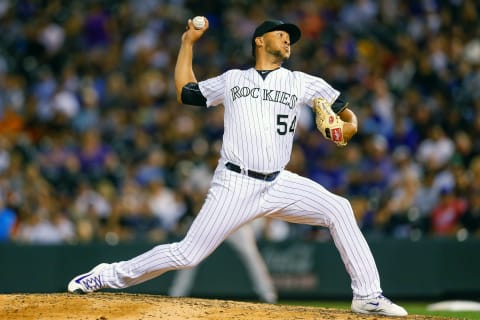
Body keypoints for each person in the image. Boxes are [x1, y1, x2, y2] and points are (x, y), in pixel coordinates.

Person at [67, 18, 407, 317]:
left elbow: (351, 121)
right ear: (259, 40)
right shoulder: (233, 80)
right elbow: (186, 92)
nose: (288, 39)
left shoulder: (304, 82)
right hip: (235, 183)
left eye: (290, 37)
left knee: (339, 208)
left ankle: (367, 296)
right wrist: (187, 43)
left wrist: (343, 130)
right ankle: (106, 275)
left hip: (278, 183)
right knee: (187, 254)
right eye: (280, 34)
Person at [169, 223, 277, 304]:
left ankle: (268, 295)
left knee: (251, 256)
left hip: (236, 223)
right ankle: (176, 294)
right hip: (212, 222)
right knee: (191, 255)